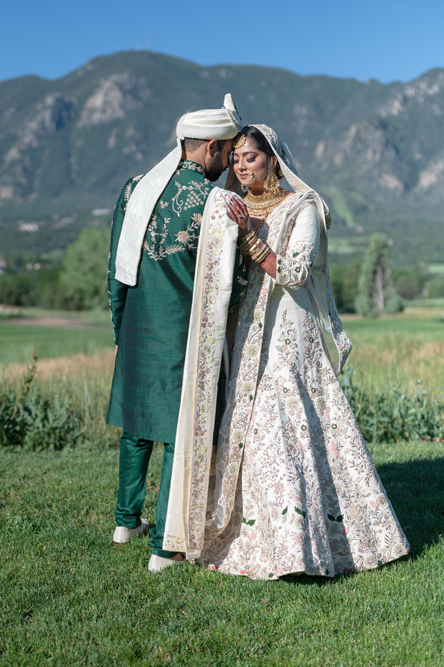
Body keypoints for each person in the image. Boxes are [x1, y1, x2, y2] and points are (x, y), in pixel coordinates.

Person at [163, 124, 410, 579]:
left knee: (284, 423)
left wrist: (249, 236)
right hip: (248, 334)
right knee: (253, 431)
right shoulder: (237, 208)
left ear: (274, 160)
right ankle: (265, 541)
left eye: (251, 157)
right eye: (235, 158)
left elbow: (295, 273)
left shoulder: (304, 209)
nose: (240, 165)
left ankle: (309, 547)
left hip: (289, 334)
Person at [106, 94, 247, 572]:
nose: (229, 163)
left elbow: (117, 269)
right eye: (228, 154)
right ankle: (165, 549)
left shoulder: (134, 189)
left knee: (138, 426)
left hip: (137, 321)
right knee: (177, 433)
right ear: (210, 148)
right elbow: (238, 279)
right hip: (184, 329)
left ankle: (126, 521)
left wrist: (119, 324)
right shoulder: (215, 201)